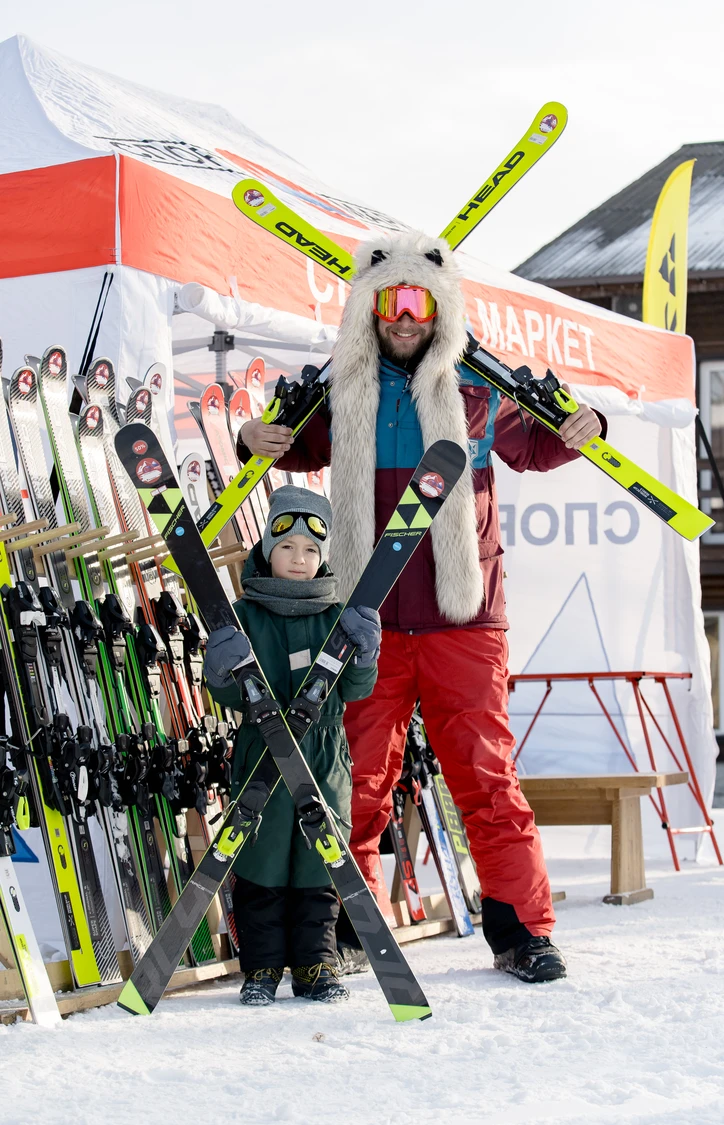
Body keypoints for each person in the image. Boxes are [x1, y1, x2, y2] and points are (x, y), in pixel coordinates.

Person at [237, 232, 604, 984]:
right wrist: (250, 436)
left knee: (484, 774)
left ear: (440, 307)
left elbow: (539, 449)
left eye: (419, 301)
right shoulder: (343, 390)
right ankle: (344, 924)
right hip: (365, 622)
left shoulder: (477, 387)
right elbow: (285, 447)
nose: (405, 316)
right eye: (390, 302)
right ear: (369, 310)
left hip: (462, 618)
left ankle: (520, 930)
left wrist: (587, 425)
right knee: (355, 778)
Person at [203, 485, 381, 1005]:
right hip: (261, 754)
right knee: (258, 861)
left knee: (316, 863)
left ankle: (315, 966)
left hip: (322, 757)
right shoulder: (245, 614)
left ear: (322, 557)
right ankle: (261, 969)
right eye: (286, 548)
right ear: (266, 550)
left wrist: (366, 655)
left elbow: (355, 690)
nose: (298, 560)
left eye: (309, 550)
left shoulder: (336, 617)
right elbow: (228, 693)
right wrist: (218, 667)